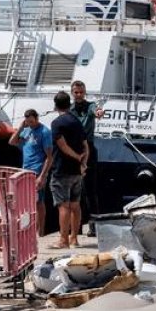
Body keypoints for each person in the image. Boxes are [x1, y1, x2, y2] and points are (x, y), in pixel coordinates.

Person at [50, 91, 89, 249]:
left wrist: (77, 157)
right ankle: (74, 238)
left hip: (62, 169)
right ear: (69, 103)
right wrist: (83, 163)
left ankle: (63, 240)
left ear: (55, 105)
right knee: (75, 204)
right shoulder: (76, 121)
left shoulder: (57, 123)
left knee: (63, 206)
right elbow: (86, 145)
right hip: (76, 171)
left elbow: (62, 145)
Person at [9, 108, 54, 236]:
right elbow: (12, 142)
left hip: (37, 170)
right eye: (28, 122)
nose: (30, 124)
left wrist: (42, 176)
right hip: (25, 170)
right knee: (28, 201)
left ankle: (41, 231)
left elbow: (49, 156)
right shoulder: (27, 130)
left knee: (38, 201)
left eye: (32, 122)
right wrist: (21, 128)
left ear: (37, 119)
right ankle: (30, 229)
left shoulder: (44, 132)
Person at [70, 80, 104, 227]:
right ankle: (76, 226)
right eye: (76, 92)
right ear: (72, 93)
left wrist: (99, 112)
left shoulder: (90, 106)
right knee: (74, 190)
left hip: (88, 149)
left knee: (90, 188)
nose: (78, 95)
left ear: (85, 93)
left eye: (81, 92)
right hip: (73, 149)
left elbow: (95, 111)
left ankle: (94, 225)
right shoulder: (69, 109)